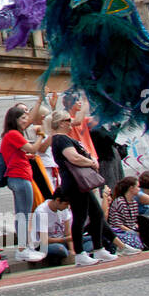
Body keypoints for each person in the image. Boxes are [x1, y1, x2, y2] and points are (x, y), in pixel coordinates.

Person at [48, 111, 121, 268]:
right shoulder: (60, 139)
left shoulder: (63, 138)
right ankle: (80, 253)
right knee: (80, 216)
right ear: (60, 123)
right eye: (68, 120)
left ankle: (99, 247)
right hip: (74, 183)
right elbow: (73, 157)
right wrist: (91, 162)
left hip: (78, 182)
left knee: (96, 213)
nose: (71, 122)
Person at [0, 104, 49, 263]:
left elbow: (20, 153)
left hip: (19, 176)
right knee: (24, 214)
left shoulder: (11, 135)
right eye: (22, 118)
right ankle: (23, 249)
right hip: (19, 176)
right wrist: (41, 136)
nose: (25, 121)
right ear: (15, 120)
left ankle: (25, 247)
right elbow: (33, 148)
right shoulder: (13, 134)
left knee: (23, 214)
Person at [29, 192, 74, 265]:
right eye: (65, 204)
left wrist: (72, 250)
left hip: (63, 241)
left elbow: (68, 232)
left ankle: (70, 254)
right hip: (45, 244)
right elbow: (44, 240)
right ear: (57, 200)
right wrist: (65, 239)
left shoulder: (64, 209)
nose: (67, 207)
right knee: (60, 249)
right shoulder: (41, 212)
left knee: (93, 239)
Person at [104, 177, 145, 252]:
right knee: (133, 235)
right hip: (120, 231)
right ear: (131, 188)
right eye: (138, 187)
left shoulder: (134, 203)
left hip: (130, 229)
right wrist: (132, 231)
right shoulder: (119, 202)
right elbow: (116, 224)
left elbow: (134, 221)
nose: (139, 189)